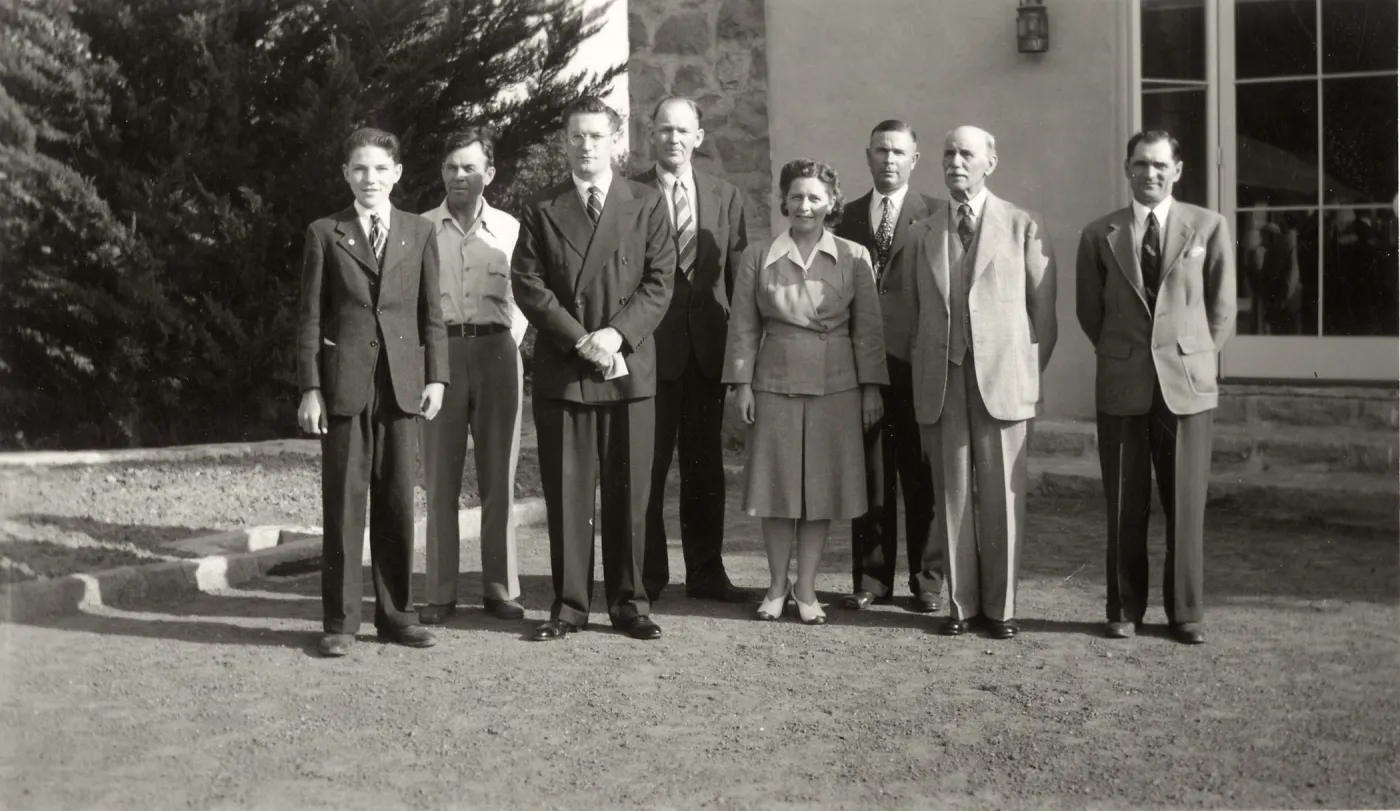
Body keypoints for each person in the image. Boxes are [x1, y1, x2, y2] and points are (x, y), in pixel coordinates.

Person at [511, 96, 676, 642]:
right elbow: (528, 285)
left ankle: (630, 604)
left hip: (627, 368)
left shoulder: (647, 202)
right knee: (569, 495)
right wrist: (581, 338)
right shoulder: (540, 207)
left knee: (630, 496)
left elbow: (660, 281)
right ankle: (570, 606)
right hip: (567, 368)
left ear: (616, 142)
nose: (586, 147)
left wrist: (615, 335)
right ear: (566, 143)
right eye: (576, 137)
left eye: (596, 137)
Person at [1075, 129, 1236, 645]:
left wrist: (1192, 355)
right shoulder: (1099, 234)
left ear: (1178, 169)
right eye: (1140, 164)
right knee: (1125, 501)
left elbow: (1222, 310)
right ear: (1127, 169)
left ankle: (1185, 612)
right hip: (1123, 382)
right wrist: (1126, 351)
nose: (1150, 174)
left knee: (1186, 503)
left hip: (1186, 385)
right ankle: (1123, 607)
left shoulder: (1208, 227)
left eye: (1160, 165)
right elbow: (1089, 311)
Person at [295, 128, 448, 657]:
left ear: (398, 174)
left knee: (397, 503)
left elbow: (433, 312)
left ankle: (399, 615)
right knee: (343, 505)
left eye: (380, 169)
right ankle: (339, 622)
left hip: (403, 387)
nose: (370, 179)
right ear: (345, 174)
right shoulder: (324, 232)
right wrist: (310, 387)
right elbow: (310, 317)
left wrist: (436, 377)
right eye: (359, 169)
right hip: (344, 387)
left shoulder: (418, 232)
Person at [723, 158, 888, 626]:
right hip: (774, 383)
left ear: (832, 202)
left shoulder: (855, 256)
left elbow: (869, 331)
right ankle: (776, 586)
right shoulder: (759, 256)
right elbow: (743, 328)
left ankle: (807, 588)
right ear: (784, 201)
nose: (805, 206)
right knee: (776, 491)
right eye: (796, 196)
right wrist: (742, 385)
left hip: (836, 386)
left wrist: (871, 389)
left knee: (820, 491)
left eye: (815, 197)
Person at [908, 126, 1057, 640]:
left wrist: (1022, 375)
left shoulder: (1023, 226)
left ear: (990, 162)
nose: (955, 161)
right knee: (952, 494)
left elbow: (1044, 314)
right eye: (948, 153)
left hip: (1003, 383)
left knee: (1002, 497)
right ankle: (961, 605)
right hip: (944, 381)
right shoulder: (923, 231)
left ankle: (1001, 608)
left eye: (966, 153)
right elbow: (914, 313)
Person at [633, 95, 752, 605]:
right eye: (664, 130)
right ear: (651, 135)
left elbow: (739, 282)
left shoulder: (726, 197)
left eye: (683, 130)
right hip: (648, 354)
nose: (673, 139)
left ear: (699, 137)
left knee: (704, 467)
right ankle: (648, 576)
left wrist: (741, 358)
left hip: (707, 353)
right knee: (649, 467)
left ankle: (706, 572)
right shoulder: (629, 194)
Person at [418, 128, 528, 625]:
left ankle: (500, 588)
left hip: (496, 353)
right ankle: (438, 592)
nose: (459, 176)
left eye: (469, 167)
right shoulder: (419, 229)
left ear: (490, 172)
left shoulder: (511, 228)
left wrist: (508, 340)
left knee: (498, 476)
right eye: (450, 167)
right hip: (439, 358)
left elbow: (528, 295)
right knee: (440, 477)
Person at [834, 120, 943, 614]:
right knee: (873, 476)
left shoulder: (935, 216)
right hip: (865, 368)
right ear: (868, 155)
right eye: (881, 150)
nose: (889, 159)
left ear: (914, 159)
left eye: (899, 151)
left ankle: (928, 579)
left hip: (917, 364)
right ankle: (873, 578)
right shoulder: (846, 217)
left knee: (922, 474)